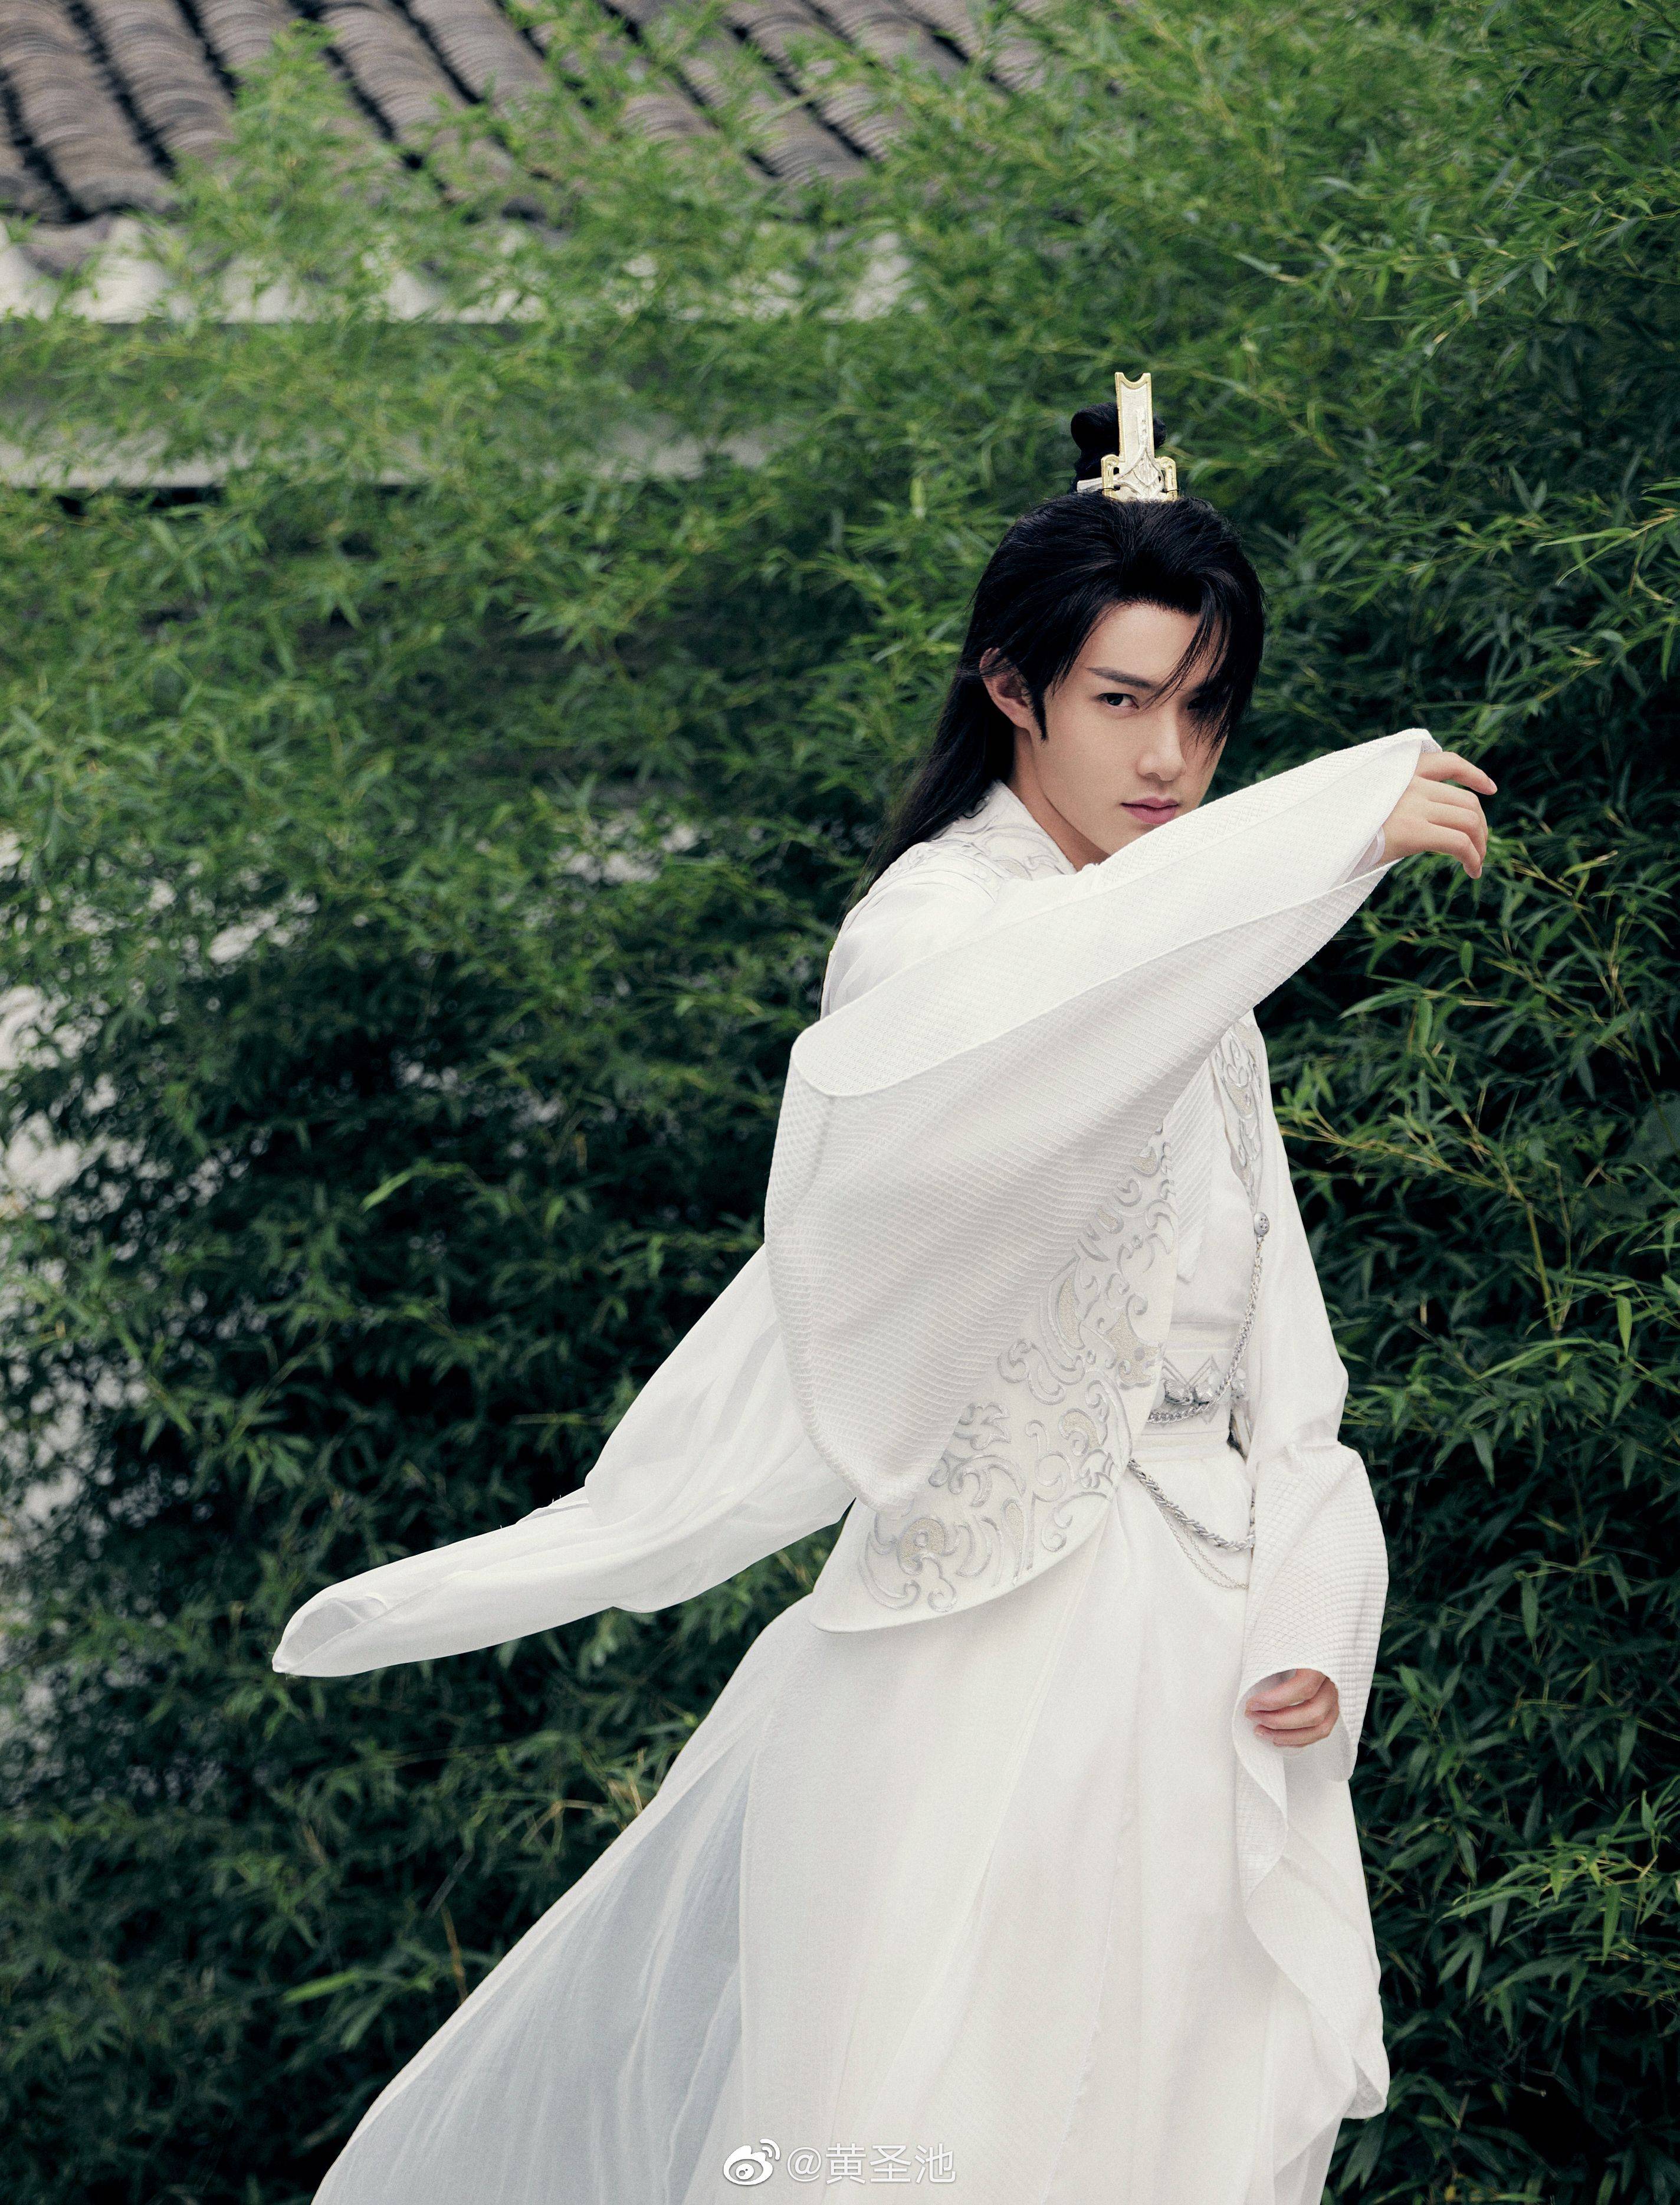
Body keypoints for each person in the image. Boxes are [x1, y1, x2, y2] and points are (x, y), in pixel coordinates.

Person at [273, 375, 1494, 2204]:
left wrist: (1312, 1605)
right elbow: (1046, 1048)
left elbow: (1282, 1365)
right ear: (1012, 689)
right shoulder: (930, 939)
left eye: (1208, 710)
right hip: (975, 1661)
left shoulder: (1199, 970)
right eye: (1123, 701)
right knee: (931, 2135)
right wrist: (1308, 835)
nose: (1171, 757)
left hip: (1197, 1666)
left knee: (1176, 2138)